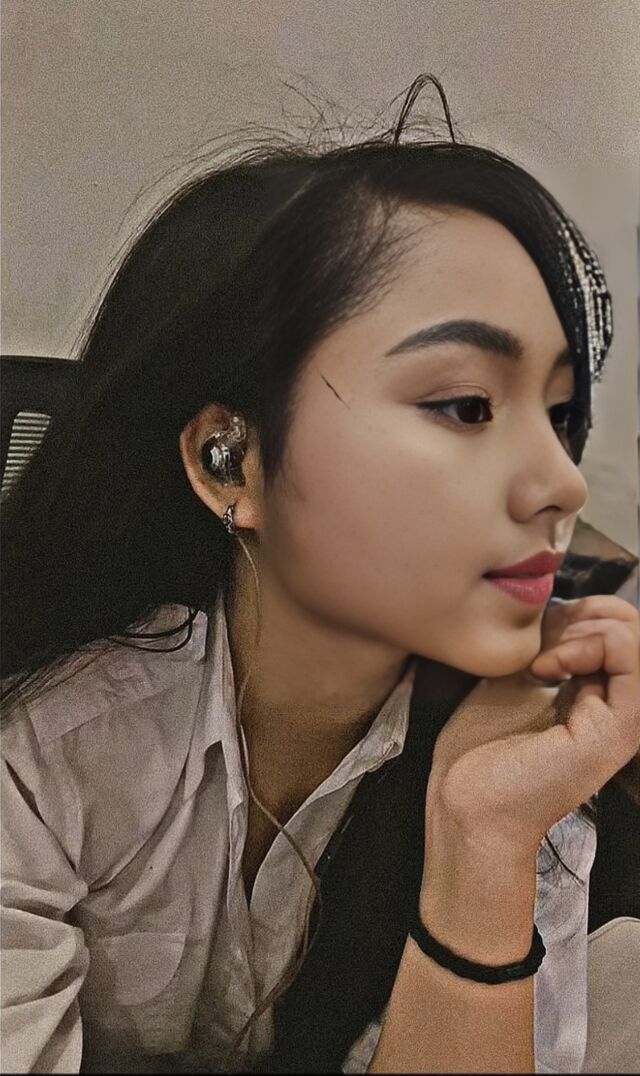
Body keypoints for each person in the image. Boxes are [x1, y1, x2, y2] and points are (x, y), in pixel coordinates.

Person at [1, 74, 638, 1074]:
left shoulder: (520, 751)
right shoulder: (49, 751)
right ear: (231, 462)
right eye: (466, 405)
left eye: (557, 414)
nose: (561, 480)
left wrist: (483, 838)